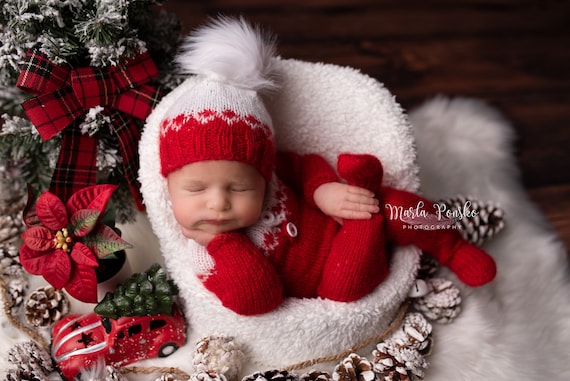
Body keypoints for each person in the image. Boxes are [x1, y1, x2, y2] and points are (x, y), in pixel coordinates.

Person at [157, 17, 496, 316]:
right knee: (346, 283)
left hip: (333, 220)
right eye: (196, 189)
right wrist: (223, 243)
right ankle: (367, 209)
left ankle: (451, 244)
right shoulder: (207, 256)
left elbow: (305, 166)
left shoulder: (271, 176)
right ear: (168, 186)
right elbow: (257, 299)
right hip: (331, 277)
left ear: (262, 174)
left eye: (238, 187)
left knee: (398, 207)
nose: (218, 202)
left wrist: (323, 190)